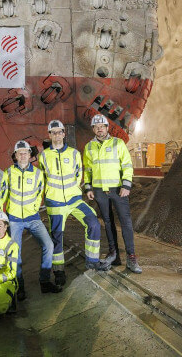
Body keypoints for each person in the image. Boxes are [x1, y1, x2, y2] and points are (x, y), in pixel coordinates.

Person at [38, 120, 108, 287]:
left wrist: (73, 191)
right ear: (49, 135)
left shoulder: (75, 153)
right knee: (56, 237)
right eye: (53, 132)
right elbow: (42, 179)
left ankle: (92, 261)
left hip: (74, 200)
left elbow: (79, 175)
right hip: (54, 202)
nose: (56, 135)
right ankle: (59, 271)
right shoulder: (44, 156)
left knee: (93, 223)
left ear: (64, 133)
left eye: (59, 132)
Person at [84, 114, 142, 273]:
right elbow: (87, 170)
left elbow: (127, 165)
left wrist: (126, 185)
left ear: (107, 127)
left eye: (102, 126)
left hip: (118, 190)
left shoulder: (118, 143)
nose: (99, 129)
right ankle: (114, 254)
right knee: (108, 223)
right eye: (96, 127)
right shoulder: (89, 147)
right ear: (93, 129)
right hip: (99, 191)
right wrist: (88, 188)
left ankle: (131, 257)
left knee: (125, 223)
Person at [5, 140, 62, 300]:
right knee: (15, 253)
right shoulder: (8, 173)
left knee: (48, 245)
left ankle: (44, 281)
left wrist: (34, 208)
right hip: (15, 219)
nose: (23, 155)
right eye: (20, 153)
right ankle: (19, 285)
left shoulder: (37, 173)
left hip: (33, 218)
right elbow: (4, 194)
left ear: (30, 155)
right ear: (15, 156)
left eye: (26, 153)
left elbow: (39, 193)